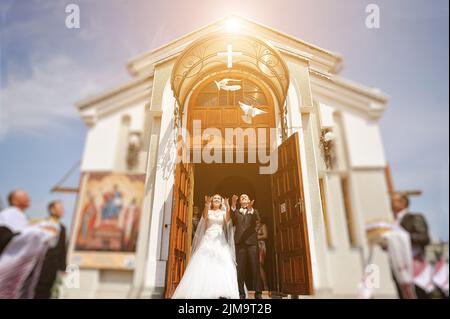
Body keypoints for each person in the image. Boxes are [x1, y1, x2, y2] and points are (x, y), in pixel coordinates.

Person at [172, 194, 238, 299]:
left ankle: (221, 290)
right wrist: (206, 205)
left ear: (221, 202)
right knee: (204, 262)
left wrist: (228, 206)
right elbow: (205, 218)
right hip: (208, 238)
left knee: (222, 263)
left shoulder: (223, 212)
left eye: (219, 199)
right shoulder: (208, 210)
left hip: (220, 239)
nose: (216, 200)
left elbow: (228, 220)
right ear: (212, 201)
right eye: (215, 198)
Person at [0, 190, 59, 299]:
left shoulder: (22, 216)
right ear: (15, 200)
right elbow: (13, 239)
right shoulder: (9, 214)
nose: (29, 198)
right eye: (25, 196)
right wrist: (41, 231)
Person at [391, 193, 431, 299]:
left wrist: (401, 237)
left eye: (394, 200)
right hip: (399, 269)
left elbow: (424, 238)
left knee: (419, 294)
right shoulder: (392, 223)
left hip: (414, 265)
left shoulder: (414, 218)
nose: (391, 203)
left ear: (403, 203)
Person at [230, 194, 262, 299]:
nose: (243, 197)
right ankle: (241, 294)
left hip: (252, 243)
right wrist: (233, 204)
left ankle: (258, 293)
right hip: (239, 243)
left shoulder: (254, 211)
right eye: (242, 197)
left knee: (255, 268)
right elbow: (231, 219)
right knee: (240, 269)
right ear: (240, 201)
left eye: (246, 197)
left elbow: (256, 220)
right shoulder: (236, 212)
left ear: (249, 201)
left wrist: (250, 209)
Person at [34, 200, 67, 299]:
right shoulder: (42, 224)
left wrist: (63, 267)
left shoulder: (62, 227)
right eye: (60, 208)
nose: (63, 210)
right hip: (41, 263)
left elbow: (62, 248)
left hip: (53, 266)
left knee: (48, 290)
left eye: (63, 208)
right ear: (52, 210)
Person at [256, 215, 269, 291]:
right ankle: (258, 287)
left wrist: (255, 237)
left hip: (261, 246)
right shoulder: (252, 225)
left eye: (258, 217)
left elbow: (265, 235)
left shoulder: (263, 225)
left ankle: (265, 286)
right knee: (256, 267)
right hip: (253, 246)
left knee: (259, 265)